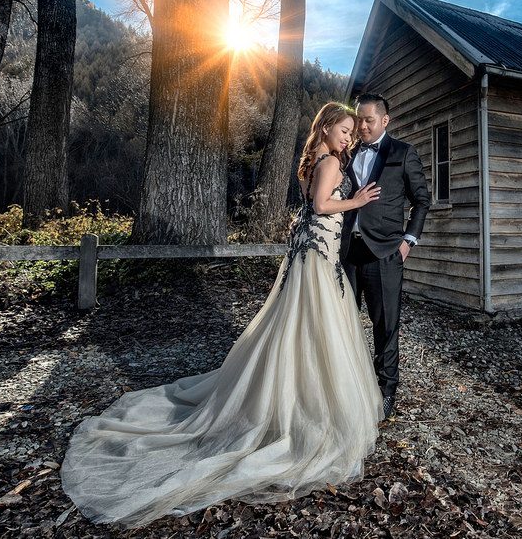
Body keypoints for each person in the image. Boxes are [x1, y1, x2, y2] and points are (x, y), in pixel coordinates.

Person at [60, 102, 385, 528]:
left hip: (313, 253)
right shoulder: (327, 164)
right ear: (325, 129)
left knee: (297, 327)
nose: (348, 137)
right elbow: (323, 207)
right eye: (343, 130)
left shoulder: (313, 161)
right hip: (318, 256)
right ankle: (305, 408)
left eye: (350, 132)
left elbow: (309, 210)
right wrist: (356, 200)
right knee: (312, 328)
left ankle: (295, 394)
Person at [341, 92, 431, 421]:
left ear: (384, 120)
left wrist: (408, 242)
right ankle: (348, 386)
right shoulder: (347, 153)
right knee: (343, 321)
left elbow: (422, 201)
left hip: (385, 253)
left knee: (385, 325)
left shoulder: (404, 153)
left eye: (368, 120)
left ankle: (387, 389)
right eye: (358, 119)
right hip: (347, 251)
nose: (361, 126)